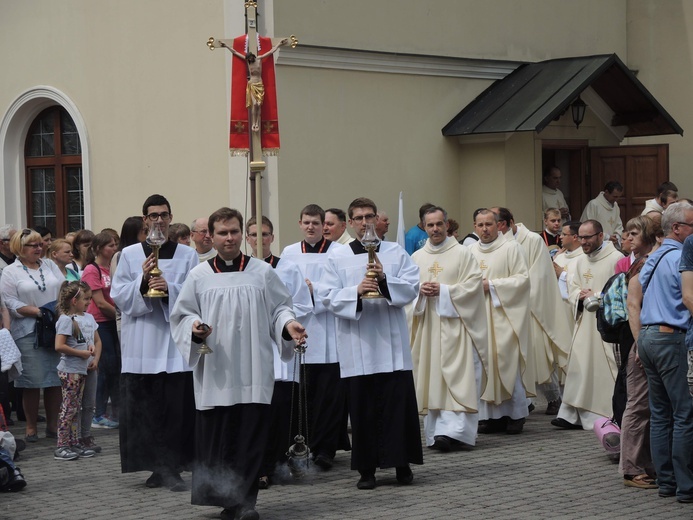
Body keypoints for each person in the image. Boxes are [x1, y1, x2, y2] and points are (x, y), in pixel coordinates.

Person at [171, 207, 307, 520]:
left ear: (241, 234)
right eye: (223, 233)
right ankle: (226, 500)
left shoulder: (261, 272)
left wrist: (289, 325)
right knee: (220, 438)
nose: (229, 238)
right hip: (215, 371)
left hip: (254, 369)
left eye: (234, 231)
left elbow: (279, 309)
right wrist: (193, 327)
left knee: (250, 437)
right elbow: (182, 315)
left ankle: (246, 502)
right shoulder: (199, 276)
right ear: (211, 237)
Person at [319, 197, 423, 489]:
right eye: (359, 217)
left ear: (377, 219)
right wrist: (357, 291)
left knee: (396, 406)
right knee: (363, 410)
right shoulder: (337, 257)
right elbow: (327, 296)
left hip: (391, 345)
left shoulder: (395, 252)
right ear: (350, 223)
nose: (365, 222)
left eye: (370, 216)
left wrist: (386, 280)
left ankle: (402, 465)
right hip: (357, 344)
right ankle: (367, 470)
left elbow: (412, 285)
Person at [111, 194, 198, 491]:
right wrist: (143, 281)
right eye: (153, 215)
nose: (158, 220)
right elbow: (119, 295)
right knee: (146, 409)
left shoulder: (187, 255)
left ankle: (173, 465)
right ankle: (155, 466)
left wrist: (169, 288)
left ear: (171, 217)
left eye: (163, 214)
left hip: (174, 347)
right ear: (145, 219)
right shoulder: (130, 254)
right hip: (143, 343)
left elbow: (195, 294)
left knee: (175, 410)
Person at [410, 206, 488, 451]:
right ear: (424, 227)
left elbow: (474, 286)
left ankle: (457, 432)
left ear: (447, 225)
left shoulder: (463, 254)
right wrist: (419, 293)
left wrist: (444, 291)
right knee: (433, 376)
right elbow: (408, 291)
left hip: (456, 324)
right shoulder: (417, 258)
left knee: (457, 376)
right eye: (430, 225)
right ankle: (436, 433)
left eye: (439, 224)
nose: (435, 229)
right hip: (429, 327)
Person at [281, 204, 350, 470]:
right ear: (299, 224)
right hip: (300, 329)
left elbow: (341, 291)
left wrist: (313, 290)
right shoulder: (288, 253)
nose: (311, 227)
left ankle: (325, 449)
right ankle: (302, 446)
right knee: (303, 396)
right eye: (306, 222)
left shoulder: (339, 252)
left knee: (329, 396)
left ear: (325, 226)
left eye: (316, 223)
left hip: (329, 331)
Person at [245, 215, 312, 489]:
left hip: (279, 351)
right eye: (253, 235)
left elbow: (303, 305)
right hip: (251, 351)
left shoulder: (288, 268)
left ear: (272, 237)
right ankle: (257, 468)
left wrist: (281, 321)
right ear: (246, 239)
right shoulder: (240, 270)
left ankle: (277, 464)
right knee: (255, 414)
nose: (259, 239)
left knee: (279, 414)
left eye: (264, 234)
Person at [639, 202, 693, 502]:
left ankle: (666, 483)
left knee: (661, 414)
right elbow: (689, 297)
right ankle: (686, 487)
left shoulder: (654, 257)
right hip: (670, 337)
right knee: (684, 413)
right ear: (676, 228)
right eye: (691, 226)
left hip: (647, 336)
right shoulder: (679, 258)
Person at [552, 219, 623, 430]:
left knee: (603, 366)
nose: (583, 242)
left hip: (605, 325)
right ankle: (571, 413)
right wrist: (580, 297)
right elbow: (572, 288)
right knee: (579, 364)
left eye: (587, 237)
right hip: (584, 322)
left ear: (600, 236)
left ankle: (603, 412)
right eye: (581, 237)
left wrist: (597, 296)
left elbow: (619, 290)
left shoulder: (616, 258)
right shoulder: (581, 261)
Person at [469, 210, 531, 434]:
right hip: (478, 316)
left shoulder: (511, 248)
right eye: (480, 225)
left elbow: (522, 280)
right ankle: (490, 416)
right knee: (483, 364)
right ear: (474, 227)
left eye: (489, 224)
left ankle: (516, 414)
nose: (485, 229)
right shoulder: (469, 251)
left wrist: (492, 286)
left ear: (498, 226)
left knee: (506, 361)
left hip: (504, 314)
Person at [0, 228, 64, 442]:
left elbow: (64, 289)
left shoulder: (49, 265)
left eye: (40, 244)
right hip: (28, 329)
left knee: (55, 379)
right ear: (20, 248)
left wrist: (58, 311)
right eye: (34, 245)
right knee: (32, 381)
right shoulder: (11, 271)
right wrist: (38, 312)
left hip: (55, 327)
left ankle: (53, 425)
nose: (40, 248)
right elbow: (9, 301)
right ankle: (30, 426)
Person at [620, 216, 661, 489]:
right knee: (637, 406)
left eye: (635, 233)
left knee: (647, 406)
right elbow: (633, 307)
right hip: (643, 341)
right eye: (628, 233)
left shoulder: (648, 260)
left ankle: (646, 463)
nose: (629, 237)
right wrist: (640, 344)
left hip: (646, 339)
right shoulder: (641, 265)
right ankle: (631, 468)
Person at [53, 281, 99, 461]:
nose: (89, 302)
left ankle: (74, 442)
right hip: (70, 371)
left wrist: (91, 350)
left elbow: (87, 341)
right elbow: (59, 345)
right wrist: (81, 353)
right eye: (86, 299)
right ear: (74, 300)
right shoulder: (65, 320)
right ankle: (62, 445)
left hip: (80, 370)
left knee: (75, 408)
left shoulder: (79, 319)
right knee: (68, 408)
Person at [82, 232, 120, 435]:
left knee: (116, 367)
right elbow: (100, 302)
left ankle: (115, 412)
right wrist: (122, 317)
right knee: (105, 366)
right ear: (98, 249)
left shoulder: (113, 267)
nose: (114, 249)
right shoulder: (92, 269)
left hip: (113, 321)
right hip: (100, 322)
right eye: (109, 245)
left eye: (115, 244)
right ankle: (98, 413)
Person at [223, 38, 290, 132]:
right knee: (254, 104)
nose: (249, 60)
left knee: (258, 104)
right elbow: (235, 53)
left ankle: (257, 123)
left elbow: (271, 52)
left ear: (252, 56)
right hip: (252, 84)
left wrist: (279, 44)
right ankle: (254, 123)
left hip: (259, 84)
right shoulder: (248, 62)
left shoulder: (259, 59)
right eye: (248, 59)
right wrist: (226, 46)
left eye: (250, 58)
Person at [553, 221, 584, 304]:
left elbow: (582, 284)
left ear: (574, 237)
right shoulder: (558, 258)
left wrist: (562, 275)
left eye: (564, 234)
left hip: (575, 308)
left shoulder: (584, 258)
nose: (560, 237)